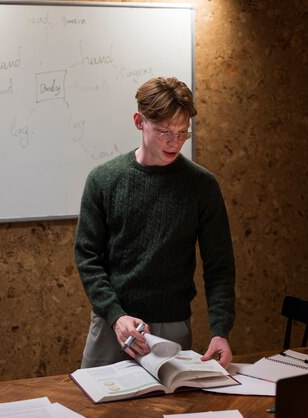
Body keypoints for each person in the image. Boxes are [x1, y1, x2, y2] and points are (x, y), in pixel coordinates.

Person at [74, 76, 235, 369]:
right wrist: (115, 314)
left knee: (168, 410)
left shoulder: (202, 186)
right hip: (115, 325)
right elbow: (88, 257)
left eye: (182, 132)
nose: (175, 142)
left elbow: (219, 266)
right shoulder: (104, 180)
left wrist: (220, 330)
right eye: (164, 132)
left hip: (173, 326)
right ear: (139, 121)